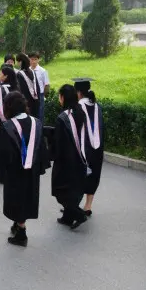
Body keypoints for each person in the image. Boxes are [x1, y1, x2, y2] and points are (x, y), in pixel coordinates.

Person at [0, 91, 49, 246]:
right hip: (32, 169)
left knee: (16, 197)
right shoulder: (36, 122)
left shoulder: (7, 127)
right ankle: (17, 222)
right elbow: (42, 148)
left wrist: (3, 170)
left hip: (15, 170)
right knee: (27, 196)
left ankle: (21, 233)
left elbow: (3, 154)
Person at [52, 84, 89, 229]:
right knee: (73, 188)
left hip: (66, 160)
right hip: (80, 158)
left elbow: (59, 142)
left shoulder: (63, 118)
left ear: (63, 97)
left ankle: (79, 214)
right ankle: (67, 217)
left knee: (60, 190)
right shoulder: (80, 111)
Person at [74, 78, 104, 216]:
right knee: (94, 174)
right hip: (97, 147)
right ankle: (88, 206)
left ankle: (74, 206)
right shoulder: (97, 106)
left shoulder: (77, 107)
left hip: (83, 146)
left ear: (78, 92)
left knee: (78, 175)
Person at [15, 53, 42, 120]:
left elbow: (21, 91)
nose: (17, 64)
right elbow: (37, 88)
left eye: (17, 62)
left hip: (26, 104)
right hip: (35, 101)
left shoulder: (20, 74)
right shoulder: (32, 71)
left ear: (20, 62)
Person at [29, 52, 50, 119]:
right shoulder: (27, 71)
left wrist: (43, 95)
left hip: (40, 95)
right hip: (30, 95)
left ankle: (40, 128)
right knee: (31, 114)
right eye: (32, 59)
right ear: (29, 60)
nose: (34, 61)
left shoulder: (43, 71)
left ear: (38, 60)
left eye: (35, 59)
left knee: (40, 114)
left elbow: (46, 84)